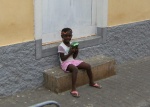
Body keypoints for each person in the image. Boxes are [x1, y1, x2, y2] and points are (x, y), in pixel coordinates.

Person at [58, 28, 102, 98]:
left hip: (72, 61)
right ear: (62, 36)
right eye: (66, 36)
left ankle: (91, 82)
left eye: (69, 36)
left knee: (88, 66)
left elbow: (74, 57)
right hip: (65, 63)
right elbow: (62, 59)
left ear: (71, 36)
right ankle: (73, 89)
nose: (68, 37)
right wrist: (70, 52)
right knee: (75, 69)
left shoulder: (72, 44)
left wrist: (76, 51)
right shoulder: (61, 46)